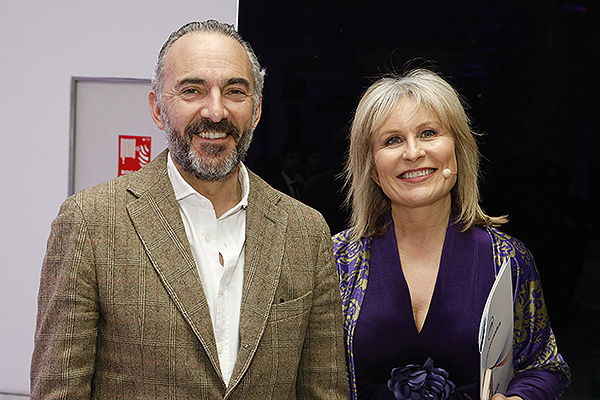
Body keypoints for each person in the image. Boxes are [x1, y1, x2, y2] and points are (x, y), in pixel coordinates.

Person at [31, 20, 348, 399]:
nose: (215, 111)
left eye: (234, 91)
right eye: (192, 90)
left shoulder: (305, 231)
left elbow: (325, 391)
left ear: (257, 109)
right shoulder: (90, 222)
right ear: (158, 108)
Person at [332, 69, 571, 400]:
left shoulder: (507, 259)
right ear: (371, 167)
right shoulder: (335, 261)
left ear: (457, 148)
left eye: (429, 133)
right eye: (392, 140)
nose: (413, 152)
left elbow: (544, 366)